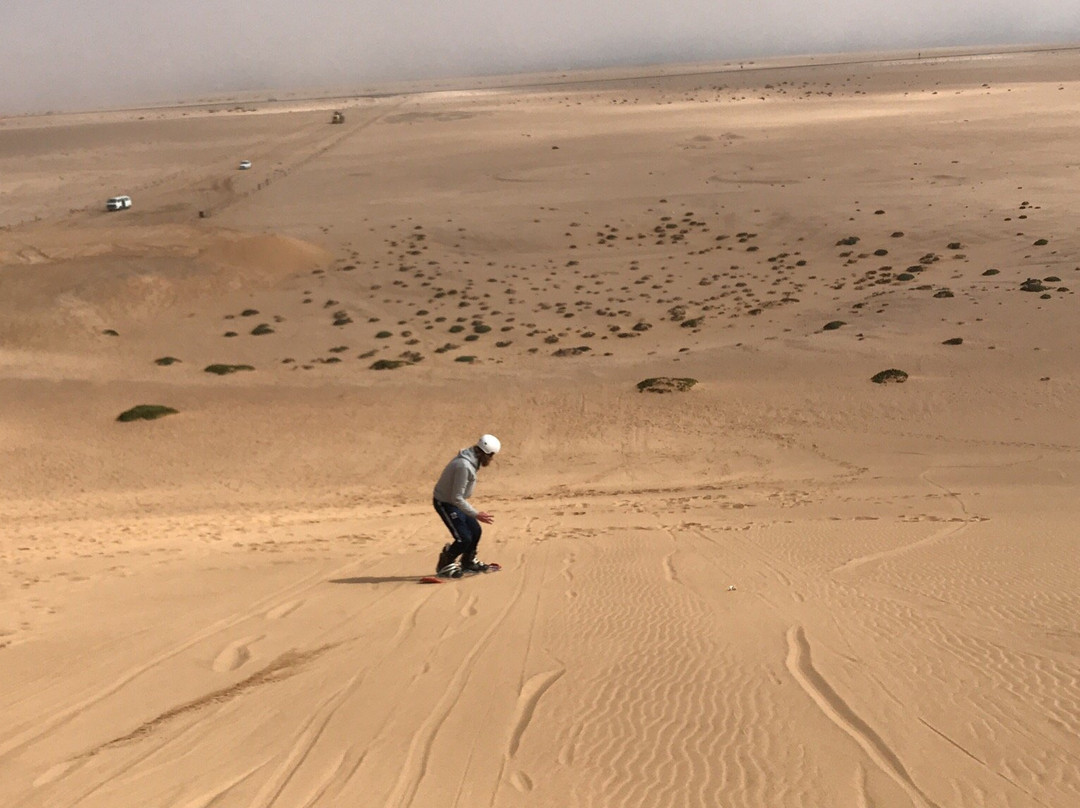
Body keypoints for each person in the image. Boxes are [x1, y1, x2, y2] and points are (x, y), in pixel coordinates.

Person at [432, 434, 500, 577]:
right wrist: (476, 514)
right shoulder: (464, 466)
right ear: (486, 453)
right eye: (492, 455)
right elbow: (456, 497)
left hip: (455, 502)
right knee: (464, 538)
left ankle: (468, 562)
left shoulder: (472, 461)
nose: (492, 459)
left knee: (475, 531)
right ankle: (445, 563)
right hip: (445, 503)